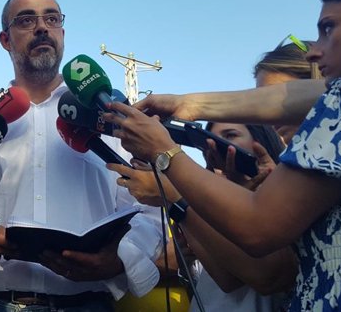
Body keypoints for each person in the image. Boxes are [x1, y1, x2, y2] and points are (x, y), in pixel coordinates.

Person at [105, 0, 341, 310]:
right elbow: (294, 97)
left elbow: (260, 229)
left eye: (329, 28)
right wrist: (187, 104)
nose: (313, 52)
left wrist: (165, 155)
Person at [0, 0, 163, 312]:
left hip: (89, 304)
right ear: (5, 39)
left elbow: (150, 207)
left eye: (51, 18)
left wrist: (122, 258)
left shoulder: (109, 120)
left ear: (62, 33)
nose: (41, 27)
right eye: (26, 20)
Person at [112, 122, 296, 312]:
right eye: (209, 140)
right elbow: (226, 280)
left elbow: (266, 277)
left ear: (261, 141)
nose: (216, 146)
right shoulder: (207, 204)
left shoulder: (280, 197)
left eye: (230, 135)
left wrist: (175, 195)